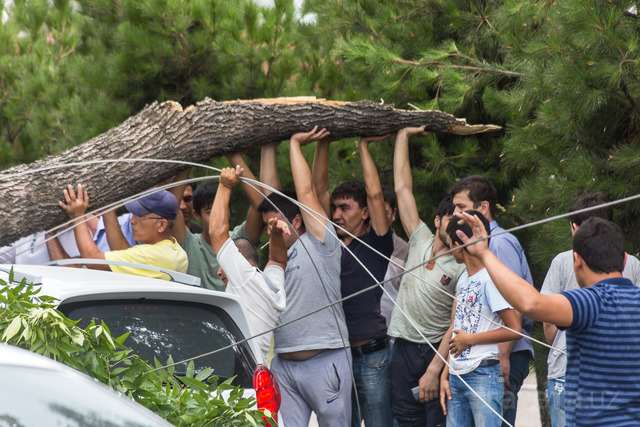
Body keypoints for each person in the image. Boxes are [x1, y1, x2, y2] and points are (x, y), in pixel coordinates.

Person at [455, 212, 640, 426]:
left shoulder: (590, 302)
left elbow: (531, 303)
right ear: (625, 260)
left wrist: (485, 253)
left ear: (577, 261)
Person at [258, 126, 351, 427]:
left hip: (325, 362)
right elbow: (266, 191)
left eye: (275, 224)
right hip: (283, 365)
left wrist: (295, 144)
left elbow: (310, 192)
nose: (270, 230)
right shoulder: (274, 259)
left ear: (297, 220)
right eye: (266, 225)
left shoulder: (320, 243)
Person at [386, 127, 466, 427]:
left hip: (434, 350)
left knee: (436, 422)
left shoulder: (463, 264)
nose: (455, 223)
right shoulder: (419, 237)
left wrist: (435, 368)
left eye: (460, 219)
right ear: (437, 221)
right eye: (450, 218)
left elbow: (455, 324)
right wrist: (402, 136)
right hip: (402, 348)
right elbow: (403, 189)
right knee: (404, 420)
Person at [540, 193, 640, 427]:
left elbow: (543, 314)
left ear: (575, 228)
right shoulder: (632, 263)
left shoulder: (565, 260)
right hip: (624, 378)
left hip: (567, 373)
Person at [315, 135, 394, 427]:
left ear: (364, 213)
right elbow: (317, 191)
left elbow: (375, 195)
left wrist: (363, 146)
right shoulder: (328, 245)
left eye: (344, 208)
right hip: (336, 358)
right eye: (334, 208)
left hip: (372, 355)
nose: (336, 214)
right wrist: (323, 142)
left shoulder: (376, 244)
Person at [450, 174, 534, 426]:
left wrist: (502, 358)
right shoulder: (470, 265)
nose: (455, 212)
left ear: (483, 207)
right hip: (473, 360)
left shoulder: (497, 243)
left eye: (461, 207)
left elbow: (514, 303)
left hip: (497, 359)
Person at [440, 210, 522, 427]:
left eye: (450, 243)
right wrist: (445, 373)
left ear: (459, 244)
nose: (449, 249)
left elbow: (514, 329)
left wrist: (469, 340)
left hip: (483, 375)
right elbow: (457, 328)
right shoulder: (462, 280)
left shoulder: (490, 279)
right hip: (457, 376)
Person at [170, 145, 280, 291]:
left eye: (222, 209)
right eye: (210, 212)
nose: (218, 216)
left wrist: (234, 157)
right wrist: (189, 158)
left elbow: (260, 206)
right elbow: (171, 206)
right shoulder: (189, 243)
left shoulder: (239, 239)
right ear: (197, 215)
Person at [209, 165, 287, 360]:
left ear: (242, 262)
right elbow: (277, 260)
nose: (220, 272)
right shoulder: (271, 286)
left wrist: (225, 186)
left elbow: (217, 232)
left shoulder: (244, 279)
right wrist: (276, 234)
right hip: (257, 371)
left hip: (241, 373)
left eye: (223, 265)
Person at [52, 184, 187, 279]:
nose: (132, 221)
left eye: (140, 216)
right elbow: (123, 253)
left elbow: (92, 260)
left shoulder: (152, 256)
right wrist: (108, 210)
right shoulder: (176, 251)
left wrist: (77, 216)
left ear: (161, 225)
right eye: (132, 214)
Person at [1, 212, 139, 265]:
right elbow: (6, 255)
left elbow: (71, 269)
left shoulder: (90, 235)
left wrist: (50, 232)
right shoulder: (33, 226)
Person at [379, 185, 409, 328]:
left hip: (393, 334)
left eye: (384, 213)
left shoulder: (405, 250)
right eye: (374, 213)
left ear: (393, 214)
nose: (378, 220)